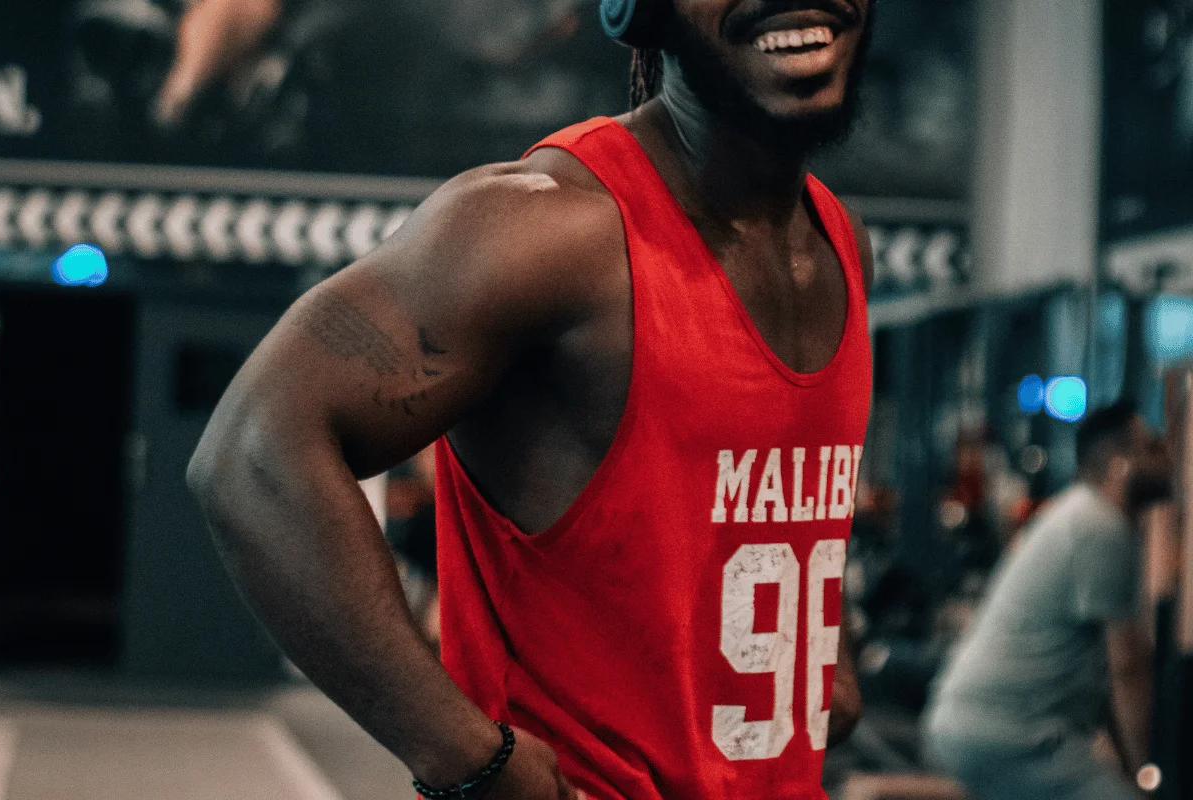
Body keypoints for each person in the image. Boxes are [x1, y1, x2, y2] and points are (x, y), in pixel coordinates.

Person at [188, 0, 877, 797]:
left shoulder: (838, 242)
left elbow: (763, 497)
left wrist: (827, 649)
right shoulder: (548, 232)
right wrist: (462, 753)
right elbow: (252, 455)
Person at [925, 401, 1172, 800]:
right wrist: (1147, 772)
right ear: (1119, 463)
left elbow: (1109, 676)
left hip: (991, 728)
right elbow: (1126, 667)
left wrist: (1128, 766)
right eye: (1153, 448)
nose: (1169, 460)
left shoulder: (1080, 512)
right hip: (1009, 736)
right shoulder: (1101, 528)